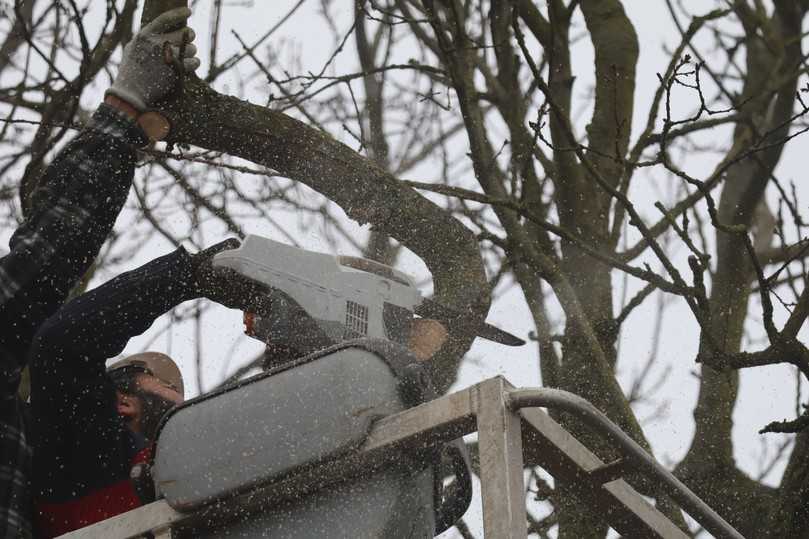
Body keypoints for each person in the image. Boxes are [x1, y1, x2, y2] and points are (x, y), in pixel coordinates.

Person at [0, 7, 200, 537]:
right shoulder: (81, 457)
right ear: (124, 400)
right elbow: (40, 294)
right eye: (159, 380)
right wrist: (198, 272)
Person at [28, 238, 273, 537]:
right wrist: (187, 275)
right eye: (168, 385)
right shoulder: (87, 455)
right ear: (123, 402)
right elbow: (62, 345)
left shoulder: (203, 470)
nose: (183, 399)